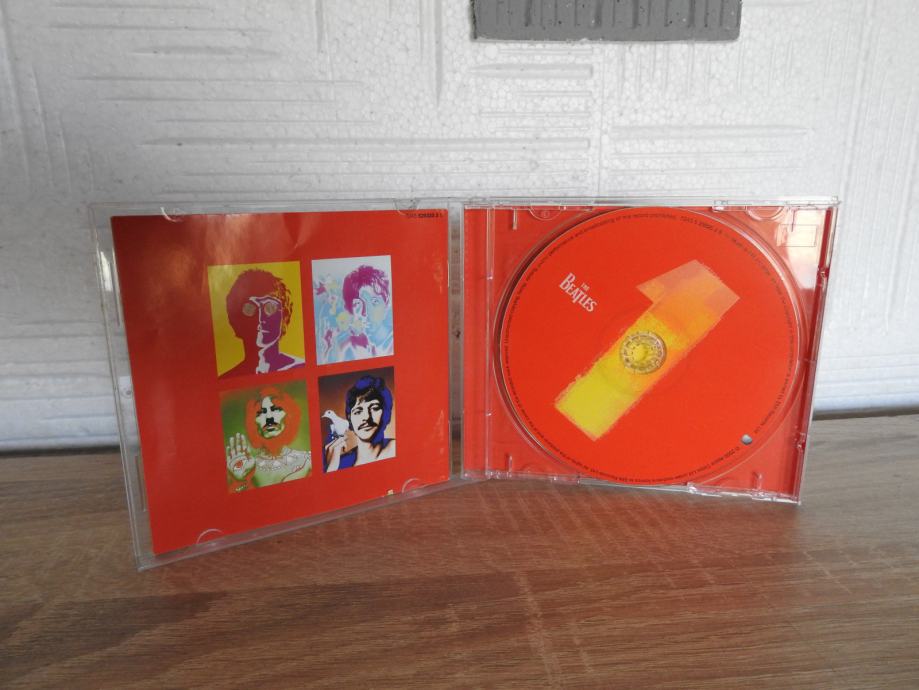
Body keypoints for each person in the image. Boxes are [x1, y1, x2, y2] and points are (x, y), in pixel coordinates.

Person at [221, 269, 304, 378]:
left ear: (284, 315)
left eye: (270, 308)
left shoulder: (302, 367)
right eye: (249, 308)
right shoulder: (228, 378)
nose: (260, 318)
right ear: (236, 318)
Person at [226, 387, 311, 491]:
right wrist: (240, 480)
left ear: (289, 414)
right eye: (261, 412)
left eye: (276, 409)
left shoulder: (308, 460)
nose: (269, 418)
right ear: (253, 421)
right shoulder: (248, 467)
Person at [324, 375, 396, 472]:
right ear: (349, 419)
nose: (366, 417)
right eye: (358, 411)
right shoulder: (337, 463)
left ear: (385, 412)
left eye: (374, 408)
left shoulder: (397, 448)